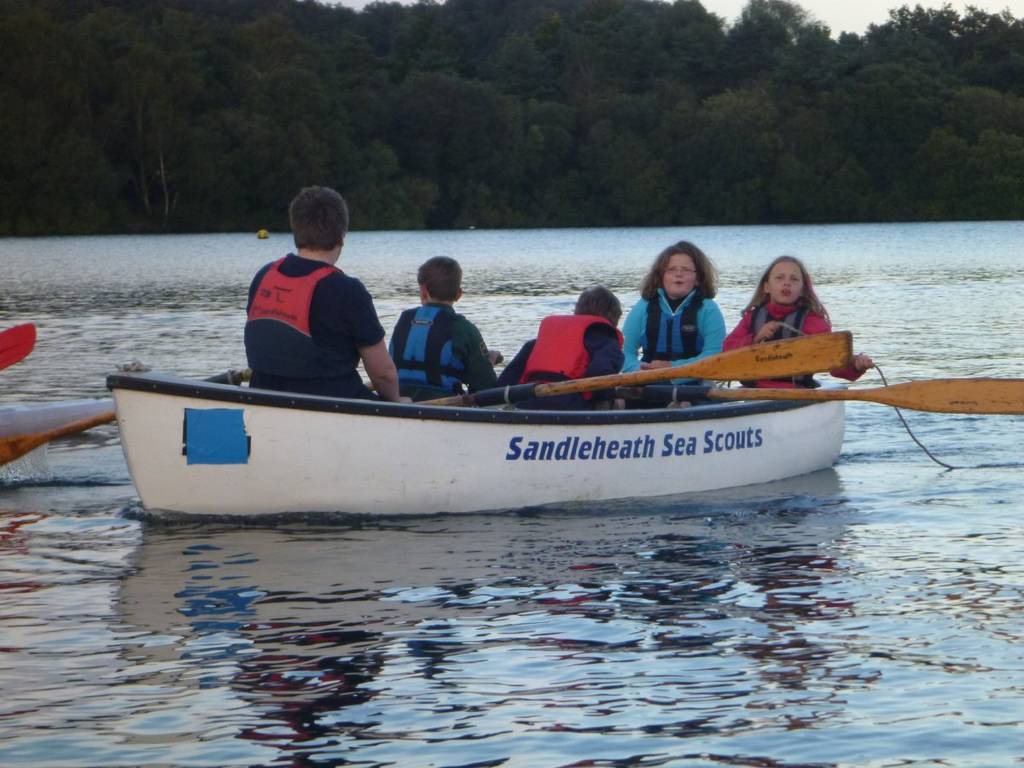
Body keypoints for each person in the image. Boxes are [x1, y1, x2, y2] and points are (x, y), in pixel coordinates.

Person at [244, 186, 402, 401]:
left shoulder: (264, 276)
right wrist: (396, 402)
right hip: (331, 405)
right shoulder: (348, 291)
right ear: (341, 236)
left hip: (265, 400)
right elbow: (383, 373)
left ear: (295, 228)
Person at [723, 254, 874, 387]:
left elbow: (833, 363)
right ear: (767, 287)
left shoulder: (814, 322)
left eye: (794, 279)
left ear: (802, 289)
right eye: (779, 278)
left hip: (795, 392)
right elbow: (726, 353)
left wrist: (855, 364)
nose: (786, 283)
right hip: (753, 392)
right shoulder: (752, 317)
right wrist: (755, 339)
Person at [389, 256, 502, 401]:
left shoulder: (404, 320)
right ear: (458, 294)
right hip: (444, 404)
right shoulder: (464, 328)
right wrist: (489, 361)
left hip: (398, 399)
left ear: (423, 291)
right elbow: (485, 386)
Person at [497, 285, 624, 410]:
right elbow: (600, 374)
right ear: (612, 319)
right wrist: (612, 397)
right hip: (570, 409)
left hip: (527, 405)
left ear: (577, 311)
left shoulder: (534, 344)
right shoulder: (607, 343)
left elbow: (504, 383)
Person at [620, 241, 726, 381]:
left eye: (686, 270)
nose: (678, 274)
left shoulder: (709, 309)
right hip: (648, 381)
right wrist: (638, 369)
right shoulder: (643, 307)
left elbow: (714, 355)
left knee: (686, 402)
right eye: (671, 269)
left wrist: (671, 368)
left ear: (698, 279)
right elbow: (624, 351)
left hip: (695, 383)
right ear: (661, 276)